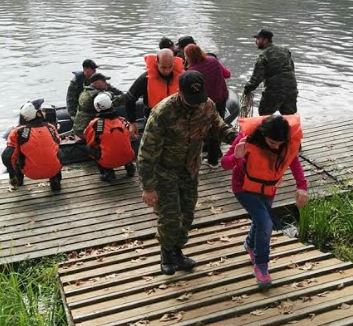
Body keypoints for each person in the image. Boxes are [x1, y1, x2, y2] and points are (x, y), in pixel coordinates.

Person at [138, 71, 237, 275]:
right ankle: (166, 253)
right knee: (170, 215)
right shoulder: (163, 112)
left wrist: (236, 139)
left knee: (188, 214)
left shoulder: (206, 104)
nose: (195, 103)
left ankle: (177, 251)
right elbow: (147, 151)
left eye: (198, 99)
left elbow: (218, 126)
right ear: (179, 91)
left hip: (190, 169)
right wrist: (148, 187)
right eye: (191, 99)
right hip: (165, 171)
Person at [221, 115, 308, 287]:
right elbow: (225, 163)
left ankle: (250, 245)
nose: (276, 147)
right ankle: (261, 265)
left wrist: (301, 186)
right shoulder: (247, 139)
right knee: (266, 223)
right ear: (262, 135)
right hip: (244, 188)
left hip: (269, 188)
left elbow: (293, 160)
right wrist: (237, 157)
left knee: (260, 220)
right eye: (272, 142)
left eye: (279, 144)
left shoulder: (285, 142)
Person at [2, 99, 62, 191]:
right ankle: (55, 179)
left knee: (16, 152)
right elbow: (57, 143)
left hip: (30, 172)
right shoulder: (51, 127)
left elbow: (6, 156)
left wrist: (11, 174)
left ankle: (18, 180)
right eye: (41, 110)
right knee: (56, 151)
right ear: (38, 114)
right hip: (53, 169)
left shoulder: (18, 132)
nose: (43, 112)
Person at [184, 44, 229, 168]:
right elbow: (227, 74)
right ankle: (214, 158)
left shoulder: (191, 71)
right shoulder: (213, 61)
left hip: (207, 103)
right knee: (217, 126)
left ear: (188, 57)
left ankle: (204, 157)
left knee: (203, 129)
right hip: (221, 98)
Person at [125, 48, 184, 134]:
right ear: (157, 62)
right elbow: (129, 98)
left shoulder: (183, 77)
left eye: (170, 67)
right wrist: (132, 122)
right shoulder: (145, 79)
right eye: (163, 67)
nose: (167, 71)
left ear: (174, 62)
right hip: (153, 122)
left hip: (176, 122)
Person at [243, 29, 298, 116]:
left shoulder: (264, 55)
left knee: (264, 115)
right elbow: (292, 69)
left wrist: (247, 89)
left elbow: (257, 78)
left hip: (274, 90)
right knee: (290, 117)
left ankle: (270, 129)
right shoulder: (285, 51)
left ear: (265, 40)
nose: (256, 41)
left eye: (258, 39)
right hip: (291, 89)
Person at [84, 92, 136, 181]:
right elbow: (132, 135)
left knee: (90, 148)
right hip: (129, 156)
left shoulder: (97, 123)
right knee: (126, 143)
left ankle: (107, 172)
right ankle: (130, 167)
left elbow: (90, 140)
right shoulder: (122, 120)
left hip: (108, 161)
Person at [73, 72, 124, 138]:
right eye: (104, 81)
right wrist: (127, 97)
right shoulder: (96, 95)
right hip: (86, 131)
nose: (106, 83)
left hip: (79, 128)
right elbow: (111, 103)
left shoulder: (85, 92)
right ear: (96, 82)